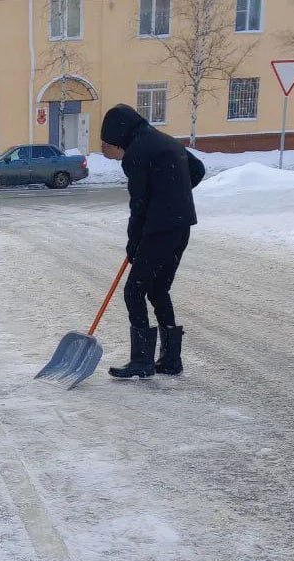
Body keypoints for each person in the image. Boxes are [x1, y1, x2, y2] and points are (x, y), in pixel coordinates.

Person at [99, 104, 205, 379]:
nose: (110, 147)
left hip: (158, 231)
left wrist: (133, 240)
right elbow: (198, 169)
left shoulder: (136, 153)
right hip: (181, 227)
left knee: (134, 291)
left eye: (109, 142)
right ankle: (171, 360)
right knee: (158, 290)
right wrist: (173, 195)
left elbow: (139, 203)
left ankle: (142, 361)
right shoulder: (164, 141)